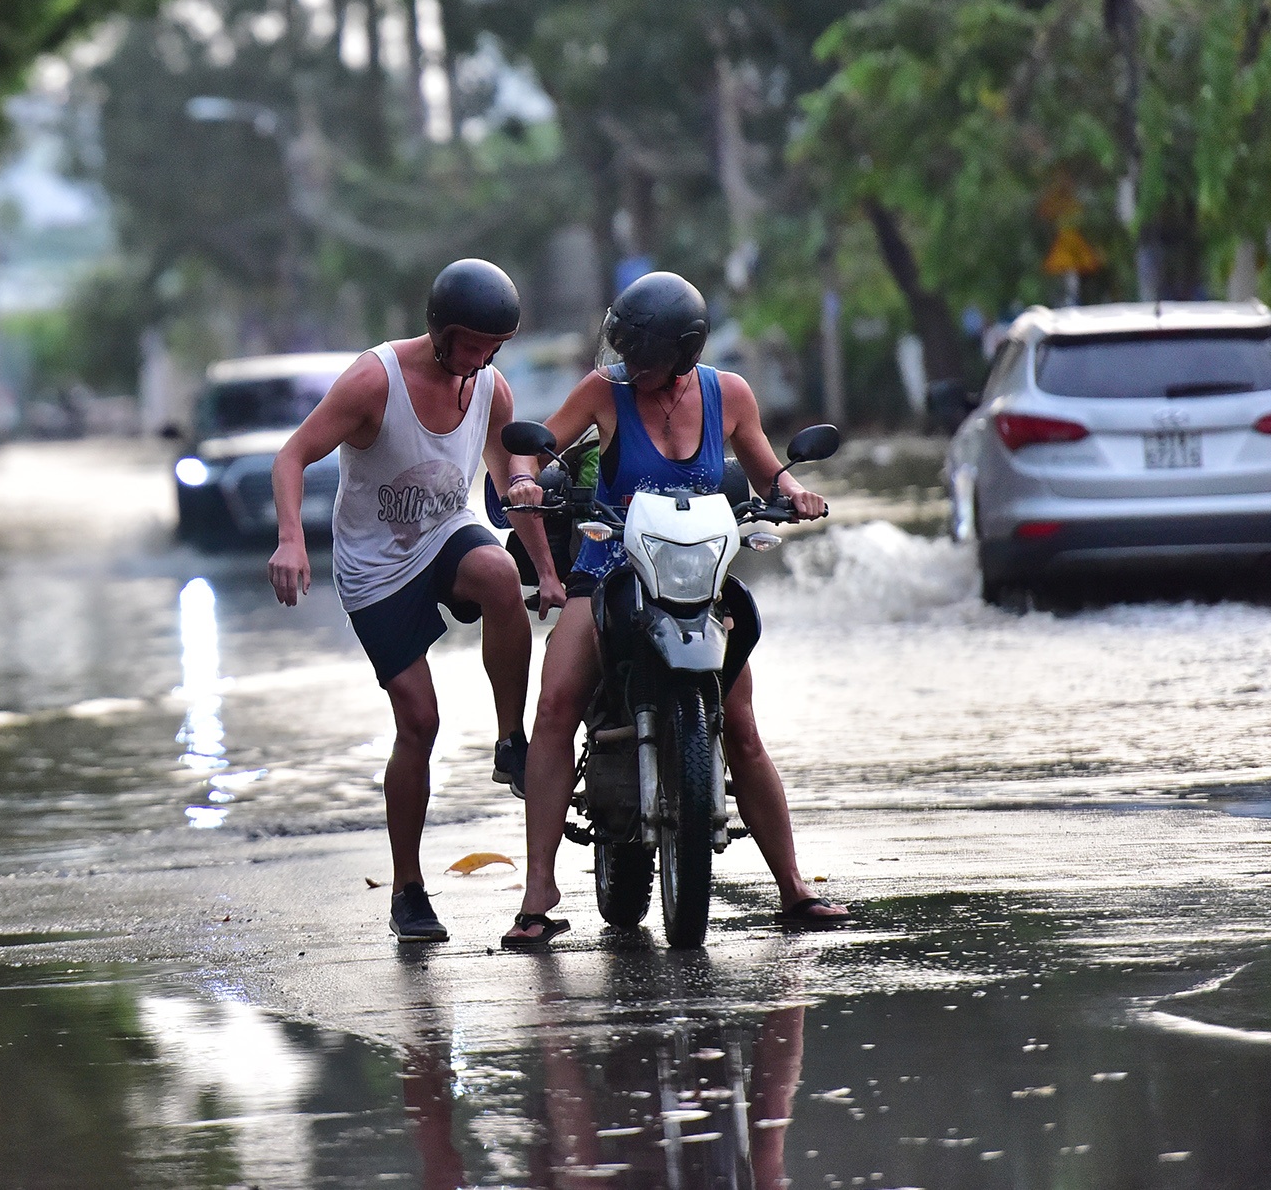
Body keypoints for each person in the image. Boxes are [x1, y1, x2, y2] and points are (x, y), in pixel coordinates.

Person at [501, 270, 846, 946]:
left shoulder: (730, 394)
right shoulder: (605, 391)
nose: (629, 364)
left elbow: (769, 471)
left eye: (643, 354)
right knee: (554, 706)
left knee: (741, 723)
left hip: (697, 577)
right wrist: (524, 479)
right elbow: (538, 444)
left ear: (685, 353)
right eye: (624, 349)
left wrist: (795, 491)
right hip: (610, 568)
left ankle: (793, 887)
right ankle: (538, 891)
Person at [269, 259, 562, 942]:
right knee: (420, 722)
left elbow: (508, 482)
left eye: (496, 347)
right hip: (375, 564)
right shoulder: (377, 380)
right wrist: (290, 542)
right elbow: (292, 455)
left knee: (497, 574)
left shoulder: (491, 389)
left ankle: (510, 740)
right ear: (441, 332)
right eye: (474, 345)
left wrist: (544, 568)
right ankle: (408, 888)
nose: (485, 360)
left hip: (445, 533)